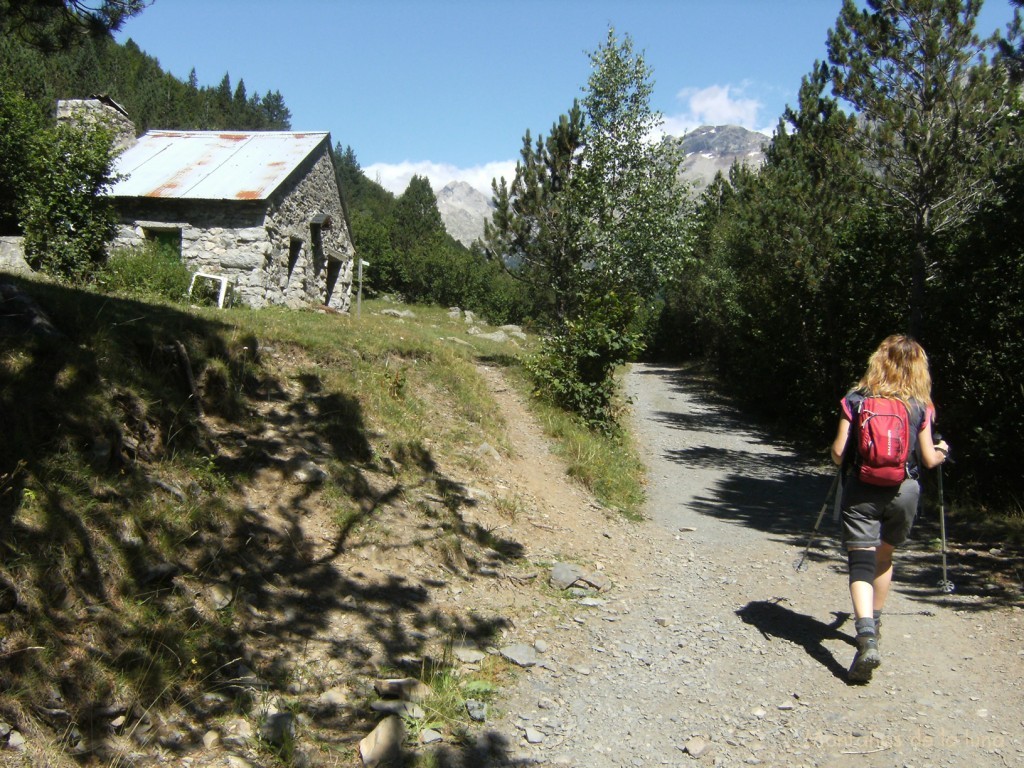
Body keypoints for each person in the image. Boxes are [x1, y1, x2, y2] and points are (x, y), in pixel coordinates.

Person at [830, 334, 949, 683]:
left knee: (861, 561)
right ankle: (876, 625)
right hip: (905, 491)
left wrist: (840, 453)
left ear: (877, 362)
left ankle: (865, 635)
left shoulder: (855, 399)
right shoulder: (921, 406)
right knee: (884, 557)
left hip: (862, 490)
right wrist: (944, 451)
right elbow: (928, 458)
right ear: (918, 369)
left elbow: (839, 453)